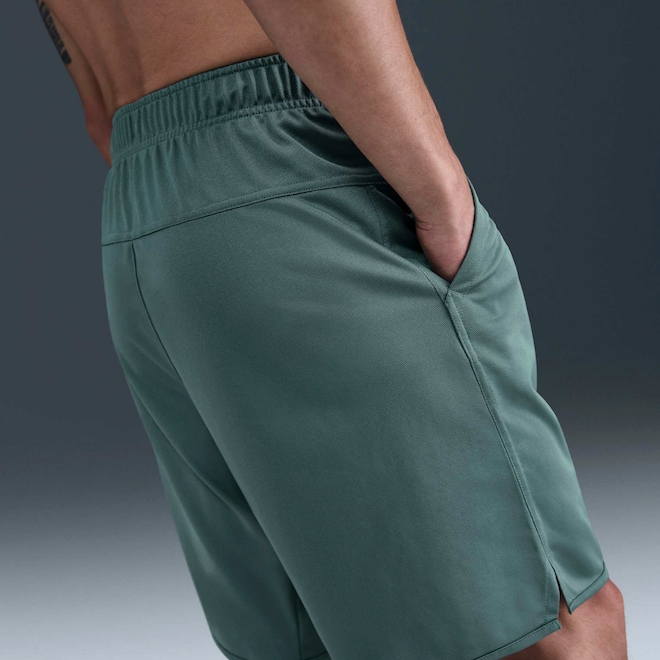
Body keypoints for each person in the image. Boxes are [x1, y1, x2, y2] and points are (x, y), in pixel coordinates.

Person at [35, 1, 628, 659]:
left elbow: (95, 108)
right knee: (552, 629)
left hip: (146, 214)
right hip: (293, 174)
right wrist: (441, 193)